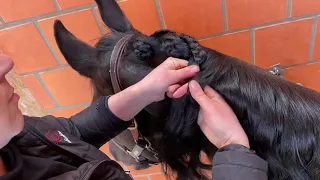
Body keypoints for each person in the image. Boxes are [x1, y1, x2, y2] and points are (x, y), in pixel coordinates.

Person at [0, 54, 267, 180]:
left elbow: (66, 135)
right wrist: (234, 148)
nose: (6, 62)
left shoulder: (14, 140)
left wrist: (141, 92)